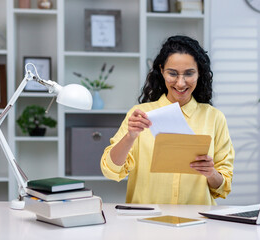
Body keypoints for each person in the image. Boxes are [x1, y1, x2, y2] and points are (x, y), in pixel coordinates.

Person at [100, 35, 234, 205]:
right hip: (146, 222)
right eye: (172, 73)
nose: (180, 83)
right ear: (162, 70)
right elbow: (110, 171)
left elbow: (223, 186)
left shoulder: (214, 118)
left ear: (199, 72)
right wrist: (130, 137)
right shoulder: (140, 115)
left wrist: (211, 173)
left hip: (197, 222)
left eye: (189, 73)